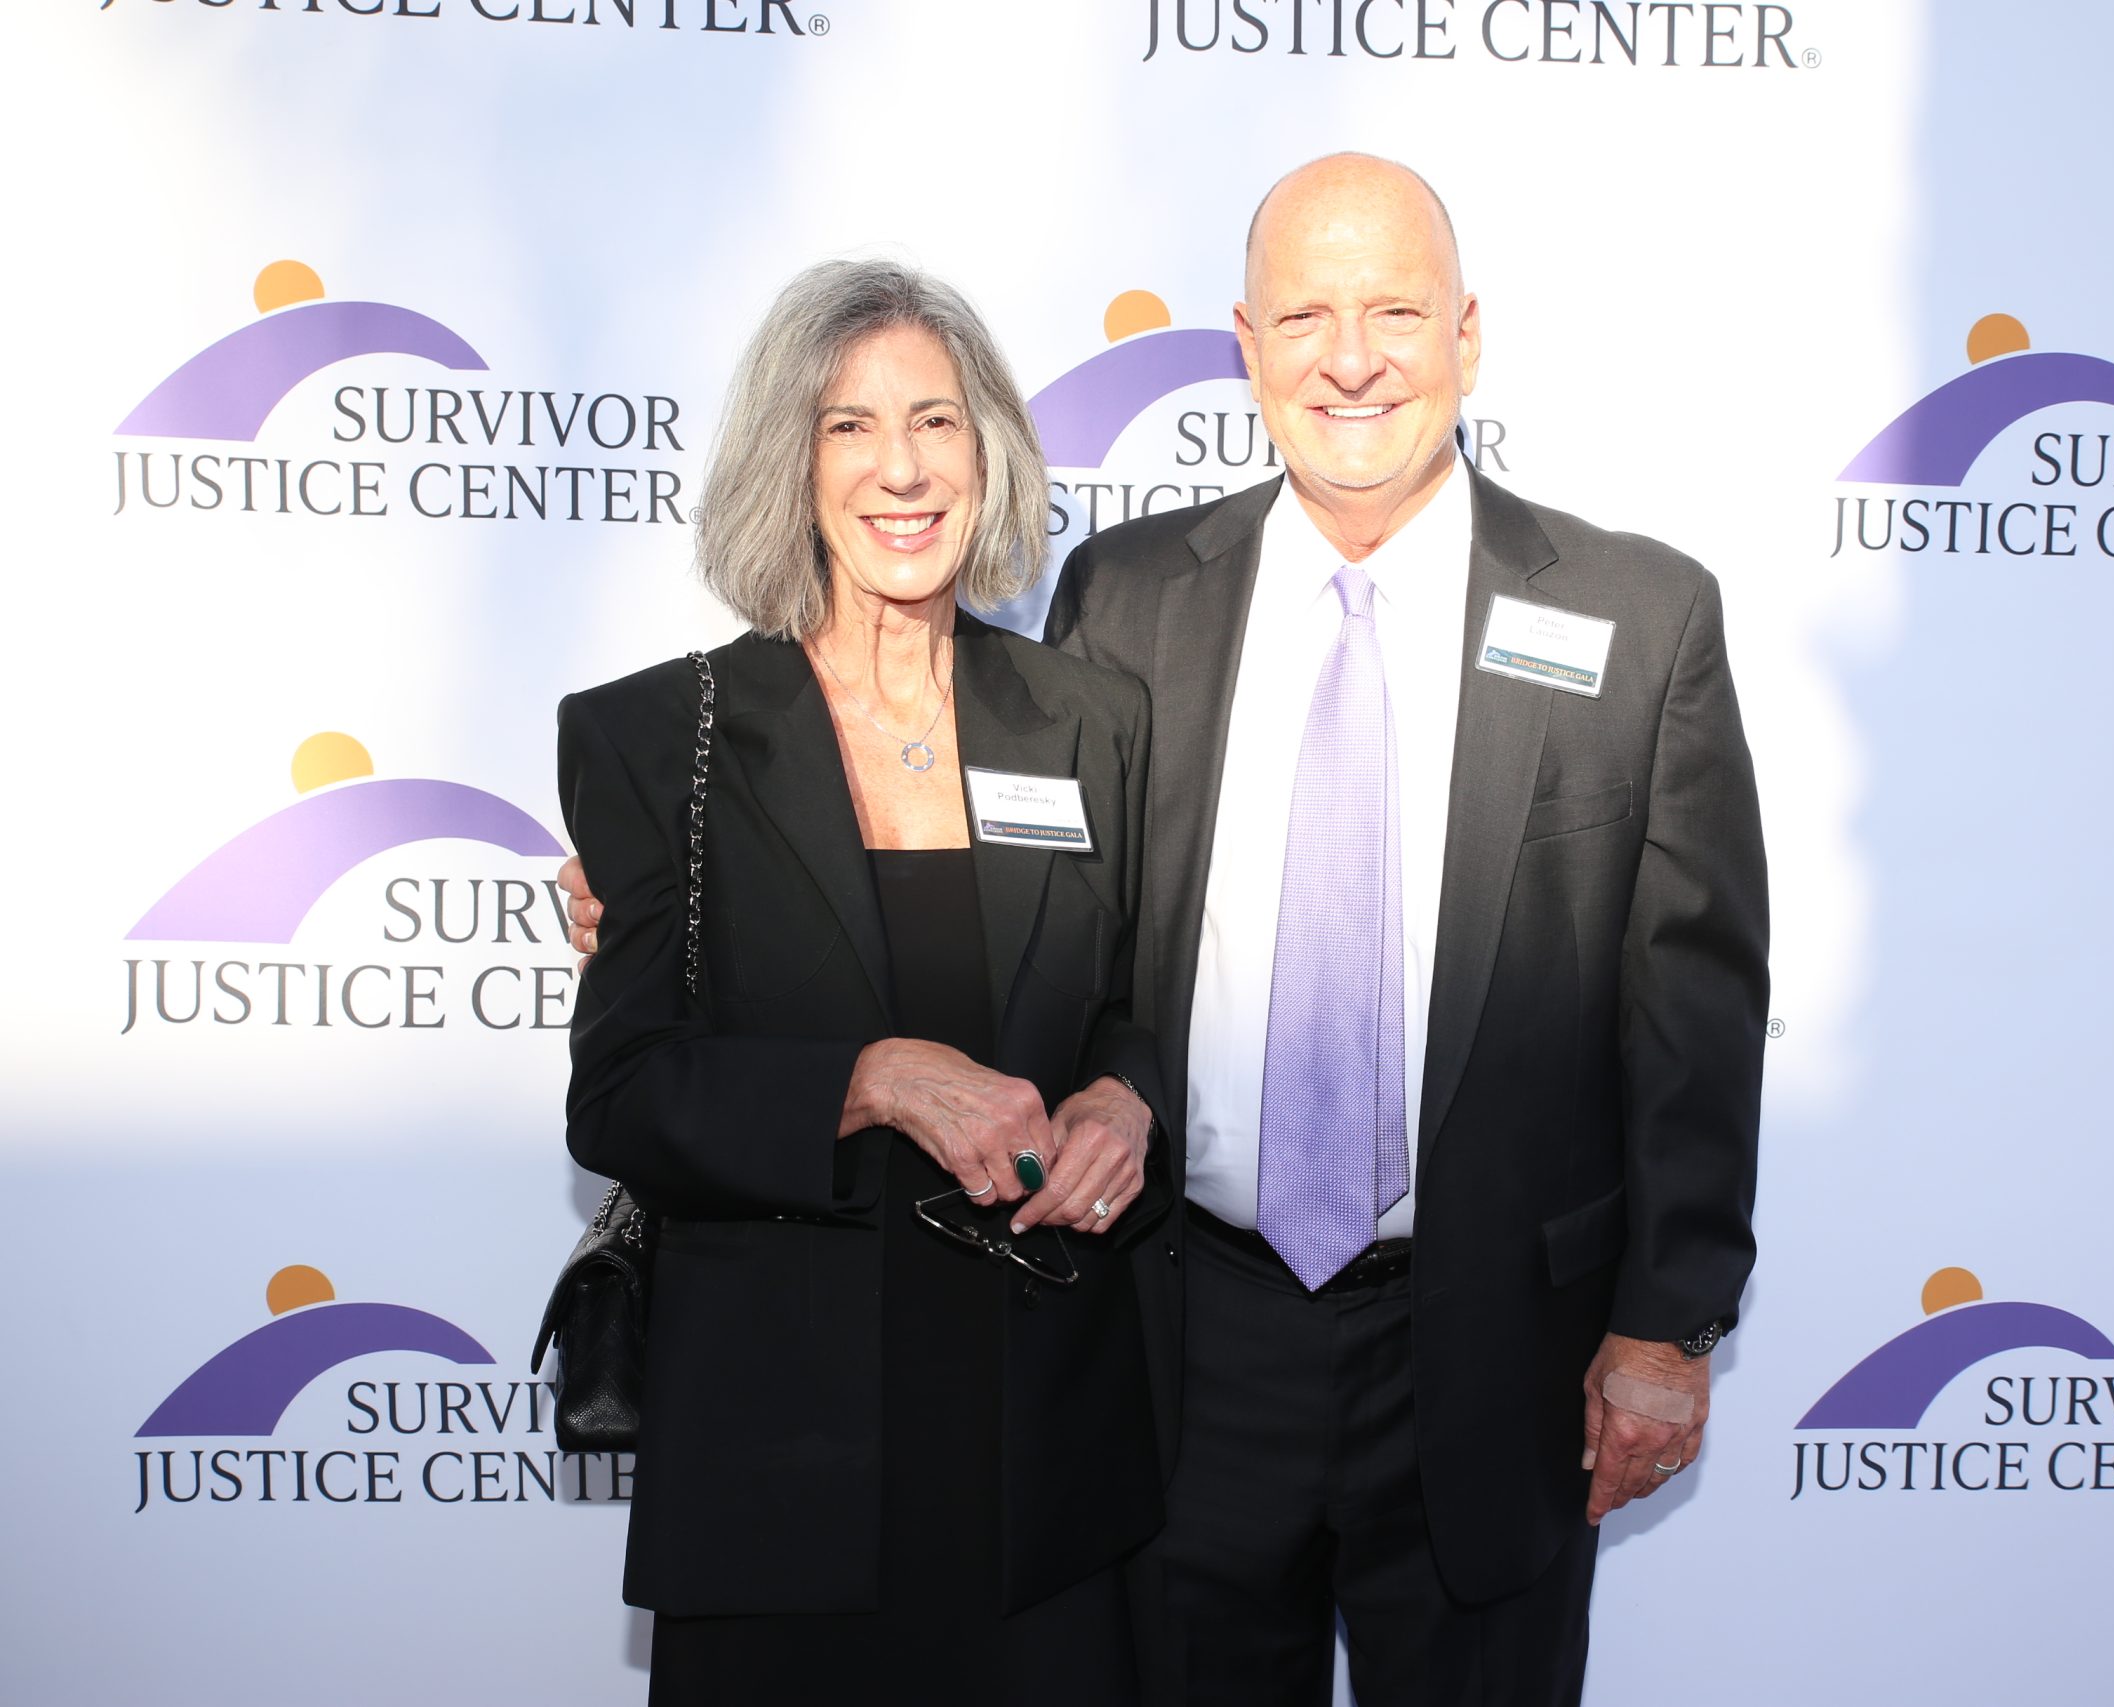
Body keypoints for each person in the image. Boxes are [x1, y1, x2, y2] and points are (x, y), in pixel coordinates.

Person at [563, 155, 1767, 1707]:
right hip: (1186, 1348)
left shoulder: (1635, 617)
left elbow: (1694, 1008)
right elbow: (1097, 955)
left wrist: (1666, 1330)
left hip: (1495, 1356)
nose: (1351, 360)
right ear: (1248, 349)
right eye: (1305, 318)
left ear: (1468, 335)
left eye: (1397, 313)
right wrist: (675, 898)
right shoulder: (1127, 602)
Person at [555, 258, 1167, 1706]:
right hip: (781, 1469)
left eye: (936, 421)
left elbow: (1137, 1007)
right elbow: (623, 1096)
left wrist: (1127, 1101)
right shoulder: (660, 738)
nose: (902, 468)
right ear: (793, 461)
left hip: (1043, 1461)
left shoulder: (1091, 721)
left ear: (989, 451)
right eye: (850, 426)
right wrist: (873, 1080)